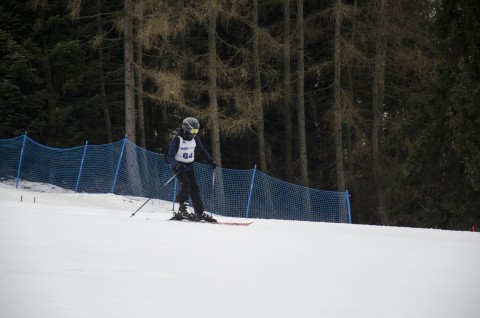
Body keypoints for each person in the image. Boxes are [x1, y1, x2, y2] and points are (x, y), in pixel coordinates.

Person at [166, 117, 217, 222]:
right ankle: (182, 211)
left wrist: (210, 161)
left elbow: (202, 151)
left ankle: (199, 213)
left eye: (196, 131)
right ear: (185, 129)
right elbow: (169, 156)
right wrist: (176, 165)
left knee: (194, 189)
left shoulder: (195, 139)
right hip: (179, 167)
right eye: (192, 130)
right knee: (186, 185)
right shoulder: (177, 139)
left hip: (189, 167)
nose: (194, 133)